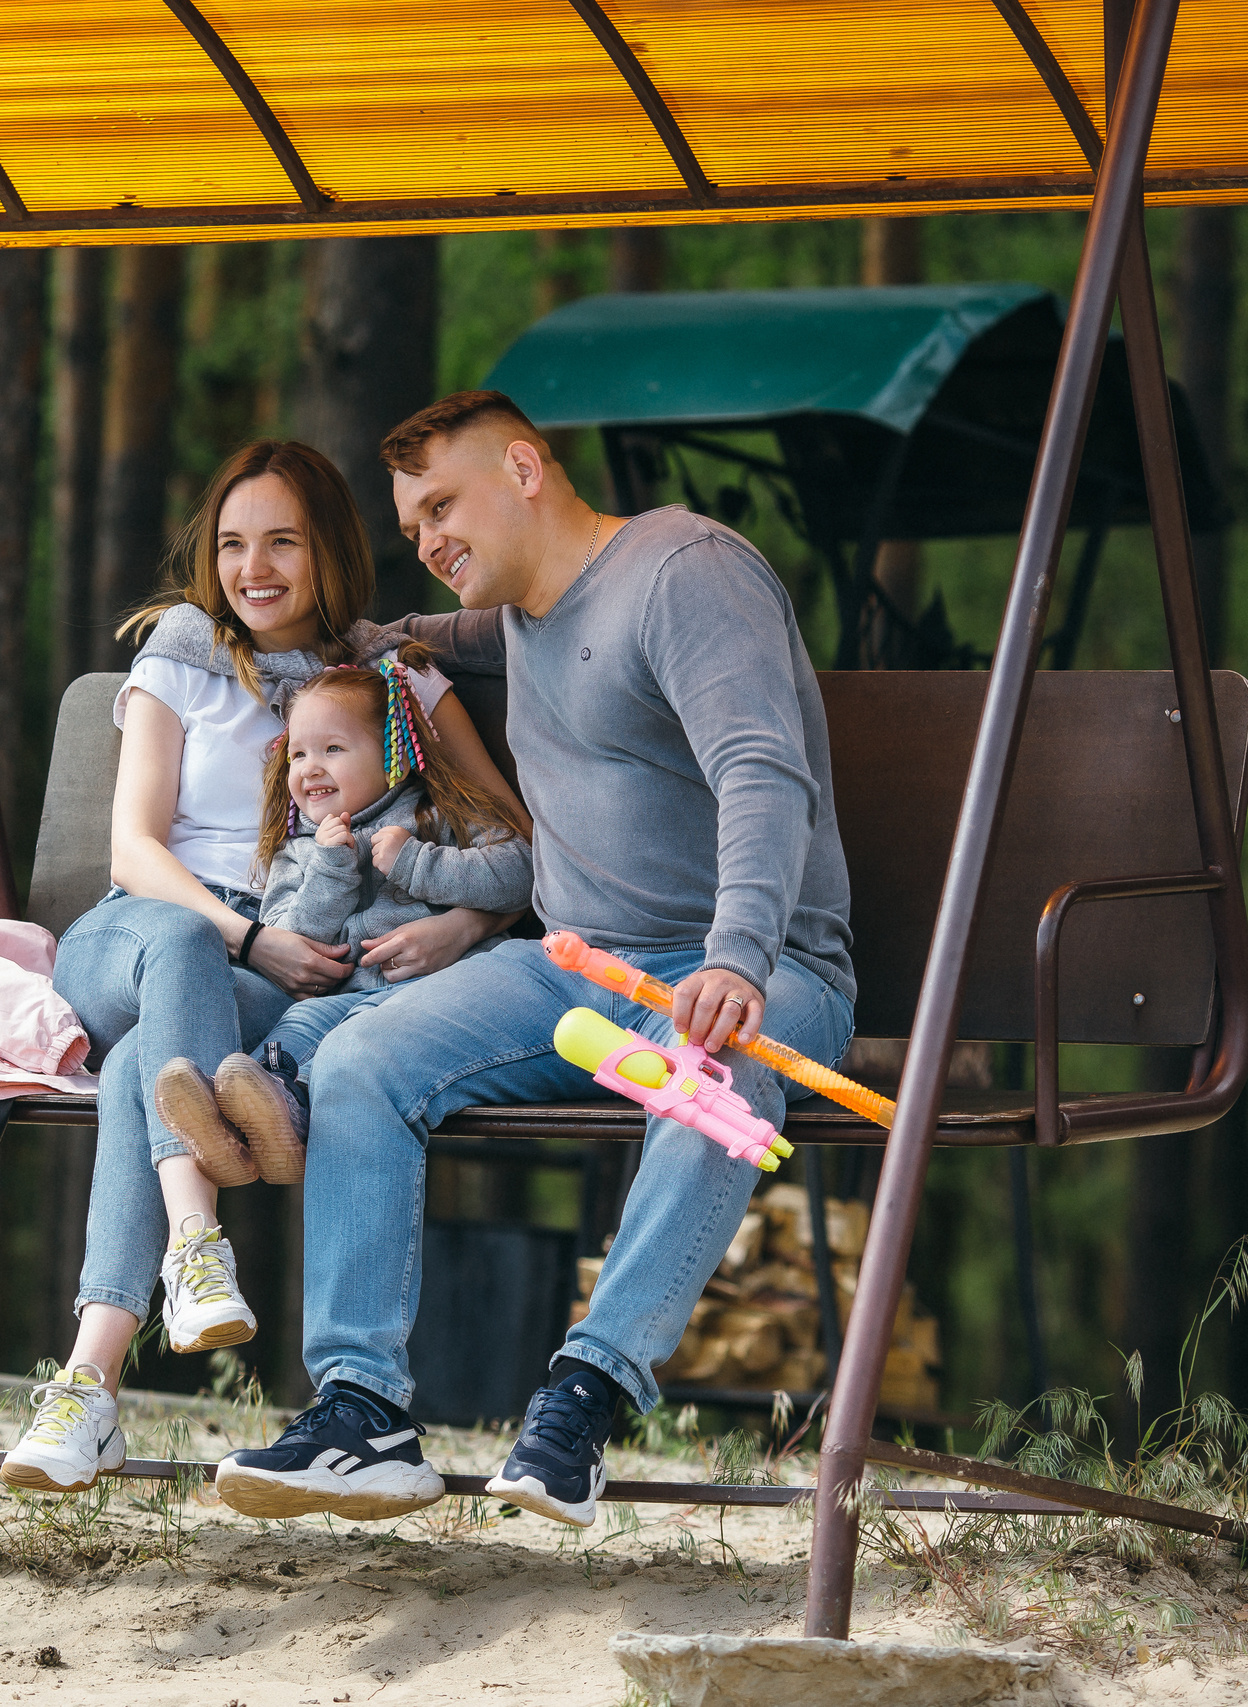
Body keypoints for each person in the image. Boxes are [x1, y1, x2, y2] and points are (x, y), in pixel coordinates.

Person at [214, 392, 856, 1527]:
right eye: (412, 526)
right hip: (569, 970)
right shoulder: (515, 614)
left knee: (705, 1080)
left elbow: (763, 772)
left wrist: (737, 958)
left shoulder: (684, 572)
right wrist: (252, 622)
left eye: (442, 507)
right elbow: (402, 639)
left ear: (523, 469)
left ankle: (584, 1399)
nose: (429, 539)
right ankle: (362, 1412)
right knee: (361, 1060)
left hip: (751, 973)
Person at [0, 439, 522, 1494]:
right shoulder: (183, 650)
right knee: (178, 953)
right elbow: (133, 850)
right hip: (143, 930)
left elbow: (512, 832)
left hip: (266, 970)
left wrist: (461, 929)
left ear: (329, 548)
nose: (253, 568)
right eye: (233, 544)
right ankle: (196, 1241)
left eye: (282, 540)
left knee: (147, 1065)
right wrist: (246, 939)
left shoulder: (392, 675)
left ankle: (86, 1389)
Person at [174, 652, 533, 1188]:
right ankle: (257, 1115)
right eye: (298, 754)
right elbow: (289, 938)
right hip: (342, 1001)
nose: (310, 767)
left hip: (437, 997)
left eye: (333, 749)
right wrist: (330, 870)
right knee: (296, 1030)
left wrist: (418, 863)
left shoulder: (436, 813)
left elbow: (521, 872)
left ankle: (265, 1110)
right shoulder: (299, 850)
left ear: (394, 755)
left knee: (344, 1042)